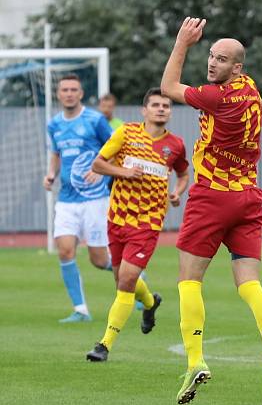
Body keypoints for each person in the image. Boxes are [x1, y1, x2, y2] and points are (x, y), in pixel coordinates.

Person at [160, 17, 262, 405]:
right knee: (249, 283)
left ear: (236, 66)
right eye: (210, 56)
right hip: (249, 197)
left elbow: (168, 87)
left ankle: (196, 361)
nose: (211, 63)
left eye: (221, 59)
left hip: (212, 196)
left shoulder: (215, 97)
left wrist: (183, 42)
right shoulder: (248, 88)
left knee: (189, 280)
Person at [85, 88, 190, 362]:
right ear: (144, 111)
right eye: (155, 105)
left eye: (166, 105)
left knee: (128, 280)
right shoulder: (126, 133)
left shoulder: (175, 145)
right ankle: (151, 302)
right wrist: (124, 172)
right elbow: (98, 165)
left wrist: (178, 192)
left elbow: (183, 174)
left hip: (148, 223)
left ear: (170, 111)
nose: (161, 109)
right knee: (122, 280)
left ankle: (104, 345)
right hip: (117, 218)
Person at [43, 74, 114, 323]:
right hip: (66, 199)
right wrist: (51, 174)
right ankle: (80, 309)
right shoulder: (53, 125)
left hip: (94, 199)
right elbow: (55, 153)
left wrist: (100, 171)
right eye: (65, 89)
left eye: (74, 89)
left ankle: (135, 280)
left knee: (100, 259)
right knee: (64, 251)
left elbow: (117, 149)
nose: (69, 93)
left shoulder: (95, 120)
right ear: (59, 94)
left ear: (81, 93)